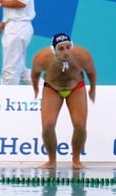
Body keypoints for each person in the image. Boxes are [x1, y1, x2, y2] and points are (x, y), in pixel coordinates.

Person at [30, 33, 97, 169]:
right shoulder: (41, 58)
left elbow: (91, 72)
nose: (66, 52)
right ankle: (51, 161)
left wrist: (92, 89)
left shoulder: (82, 55)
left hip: (76, 86)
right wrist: (36, 88)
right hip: (52, 87)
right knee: (47, 126)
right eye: (61, 49)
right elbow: (35, 73)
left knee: (80, 125)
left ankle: (76, 160)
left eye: (68, 47)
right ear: (54, 50)